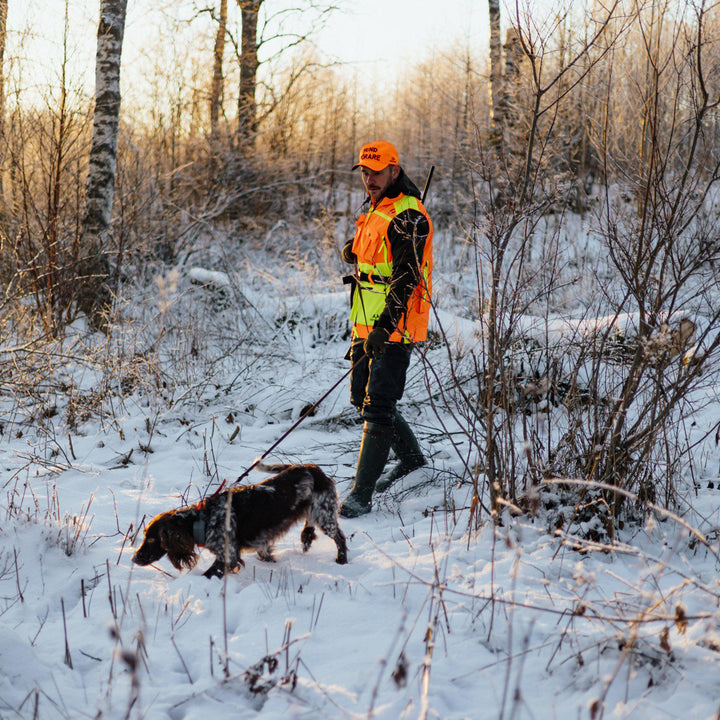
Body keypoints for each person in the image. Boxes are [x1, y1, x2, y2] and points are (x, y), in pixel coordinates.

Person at [340, 140, 434, 518]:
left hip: (395, 324)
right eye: (364, 172)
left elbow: (406, 278)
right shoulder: (378, 205)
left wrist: (384, 328)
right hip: (366, 320)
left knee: (379, 404)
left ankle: (361, 495)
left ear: (394, 170)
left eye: (376, 172)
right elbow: (380, 251)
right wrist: (356, 250)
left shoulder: (410, 216)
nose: (369, 179)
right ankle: (411, 460)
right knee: (360, 397)